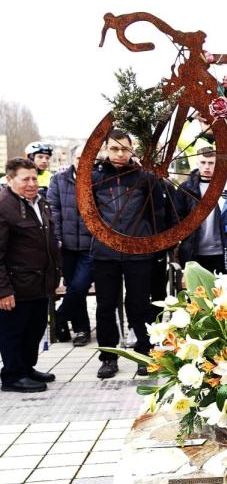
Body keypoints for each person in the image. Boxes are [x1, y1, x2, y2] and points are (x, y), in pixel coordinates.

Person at [91, 130, 176, 379]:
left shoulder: (145, 178)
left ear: (132, 150)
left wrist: (158, 248)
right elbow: (87, 215)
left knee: (140, 304)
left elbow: (158, 215)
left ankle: (143, 353)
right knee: (105, 306)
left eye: (124, 149)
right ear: (105, 149)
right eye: (114, 148)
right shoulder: (93, 178)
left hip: (139, 253)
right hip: (105, 253)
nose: (119, 154)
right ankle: (108, 357)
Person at [0, 158, 60, 392]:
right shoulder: (4, 206)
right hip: (16, 286)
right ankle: (13, 375)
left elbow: (49, 243)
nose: (32, 183)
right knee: (13, 332)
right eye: (25, 179)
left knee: (34, 329)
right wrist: (3, 290)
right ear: (9, 179)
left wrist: (55, 277)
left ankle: (26, 368)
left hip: (38, 283)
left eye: (34, 178)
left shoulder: (40, 202)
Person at [47, 145, 93, 347]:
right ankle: (81, 329)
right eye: (79, 157)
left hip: (90, 246)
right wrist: (57, 239)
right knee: (75, 288)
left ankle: (58, 316)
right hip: (66, 247)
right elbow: (53, 211)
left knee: (80, 285)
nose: (83, 161)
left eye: (87, 157)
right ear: (72, 158)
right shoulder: (59, 179)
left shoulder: (97, 179)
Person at [175, 147, 227, 274]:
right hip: (194, 251)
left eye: (211, 163)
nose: (207, 167)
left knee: (221, 292)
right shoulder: (185, 189)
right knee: (197, 292)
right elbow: (177, 218)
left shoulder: (226, 187)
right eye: (203, 162)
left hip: (221, 252)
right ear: (197, 163)